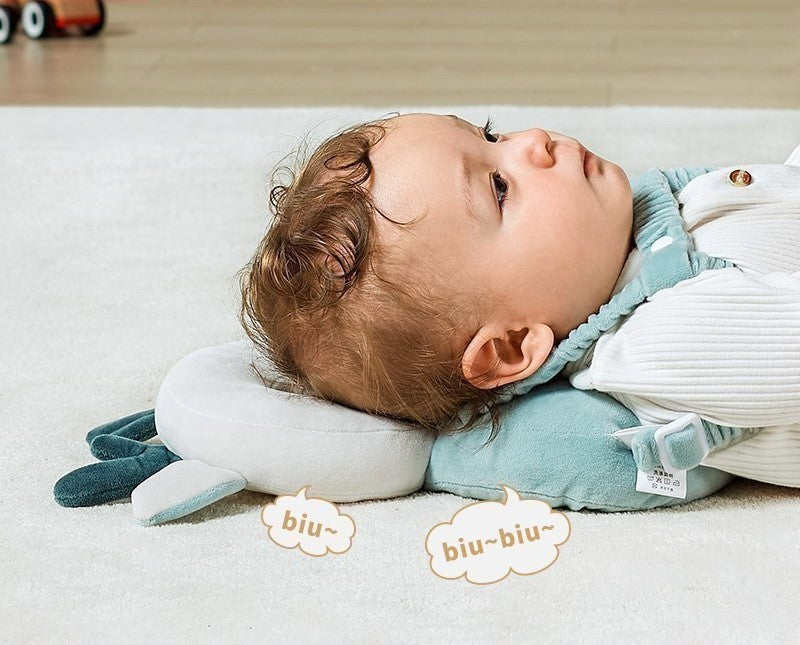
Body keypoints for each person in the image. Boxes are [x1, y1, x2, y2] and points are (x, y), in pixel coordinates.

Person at [236, 111, 800, 486]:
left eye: (491, 136)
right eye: (499, 187)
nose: (532, 141)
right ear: (510, 346)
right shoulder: (668, 341)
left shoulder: (646, 233)